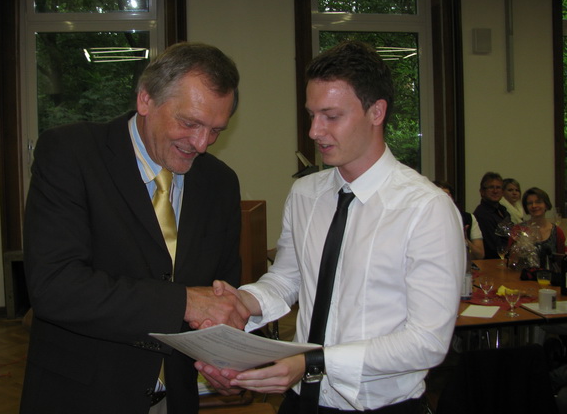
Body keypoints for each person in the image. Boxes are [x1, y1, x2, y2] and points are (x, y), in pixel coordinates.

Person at [195, 40, 464, 413]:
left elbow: (427, 342)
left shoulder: (426, 209)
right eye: (311, 115)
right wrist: (242, 301)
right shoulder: (306, 194)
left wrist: (314, 362)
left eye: (331, 116)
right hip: (300, 401)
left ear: (376, 112)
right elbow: (288, 279)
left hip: (380, 407)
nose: (314, 131)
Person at [20, 42, 250, 414]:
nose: (202, 144)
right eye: (190, 123)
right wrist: (185, 301)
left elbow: (220, 292)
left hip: (176, 397)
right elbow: (55, 286)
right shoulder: (70, 153)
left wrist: (225, 360)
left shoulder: (220, 182)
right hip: (84, 397)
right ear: (146, 99)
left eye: (215, 131)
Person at [508, 187, 565, 268]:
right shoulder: (518, 230)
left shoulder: (557, 232)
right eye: (529, 203)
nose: (534, 206)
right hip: (523, 275)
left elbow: (562, 261)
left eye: (538, 202)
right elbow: (511, 261)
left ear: (546, 205)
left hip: (550, 275)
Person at [433, 180, 484, 260]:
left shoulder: (468, 218)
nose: (444, 199)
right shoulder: (425, 220)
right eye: (440, 195)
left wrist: (465, 241)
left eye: (447, 195)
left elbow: (480, 255)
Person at [473, 172, 511, 259]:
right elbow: (494, 247)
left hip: (504, 260)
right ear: (482, 192)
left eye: (498, 187)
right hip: (491, 262)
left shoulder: (503, 210)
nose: (495, 191)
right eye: (491, 187)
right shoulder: (482, 214)